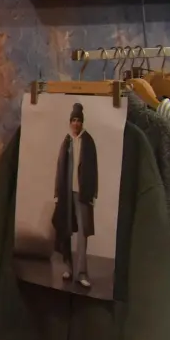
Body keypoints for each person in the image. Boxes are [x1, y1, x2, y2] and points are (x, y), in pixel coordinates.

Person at [53, 101, 99, 290]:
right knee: (66, 230)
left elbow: (94, 169)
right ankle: (68, 268)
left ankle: (81, 273)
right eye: (73, 120)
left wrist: (93, 193)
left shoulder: (88, 141)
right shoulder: (66, 142)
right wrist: (57, 193)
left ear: (82, 122)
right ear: (70, 122)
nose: (76, 123)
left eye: (79, 120)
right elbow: (59, 168)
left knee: (82, 234)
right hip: (66, 194)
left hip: (82, 194)